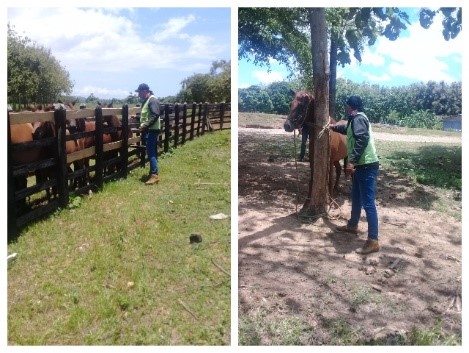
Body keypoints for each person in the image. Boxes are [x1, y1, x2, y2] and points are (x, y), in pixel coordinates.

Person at [330, 96, 380, 254]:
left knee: (368, 203)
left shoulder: (358, 119)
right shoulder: (354, 120)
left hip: (366, 165)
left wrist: (351, 162)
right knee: (356, 197)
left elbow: (362, 139)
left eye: (346, 106)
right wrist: (332, 127)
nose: (345, 108)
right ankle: (352, 225)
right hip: (361, 165)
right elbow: (347, 130)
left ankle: (373, 240)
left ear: (350, 107)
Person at [136, 83, 161, 185]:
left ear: (145, 91)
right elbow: (148, 116)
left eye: (139, 92)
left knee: (150, 152)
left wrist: (145, 125)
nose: (138, 95)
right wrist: (138, 118)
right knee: (152, 151)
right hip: (150, 129)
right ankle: (153, 172)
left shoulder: (152, 100)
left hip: (151, 130)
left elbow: (155, 114)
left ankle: (154, 175)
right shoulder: (147, 101)